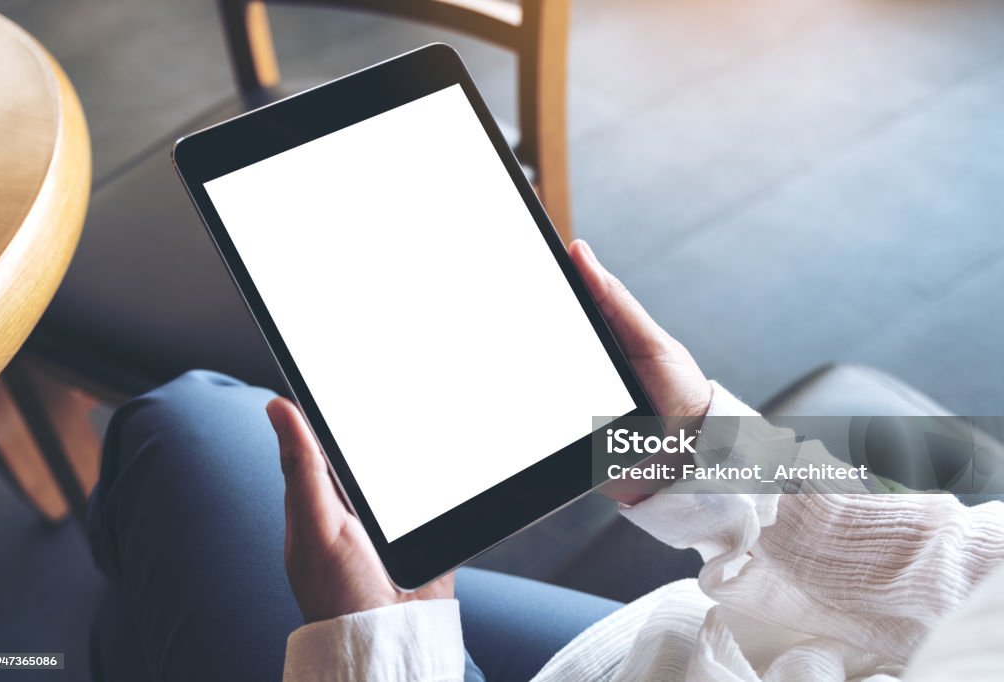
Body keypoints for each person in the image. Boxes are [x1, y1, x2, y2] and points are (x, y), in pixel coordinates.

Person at [89, 241, 1004, 681]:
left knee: (182, 423)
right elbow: (976, 588)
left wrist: (384, 660)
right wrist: (696, 447)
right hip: (692, 659)